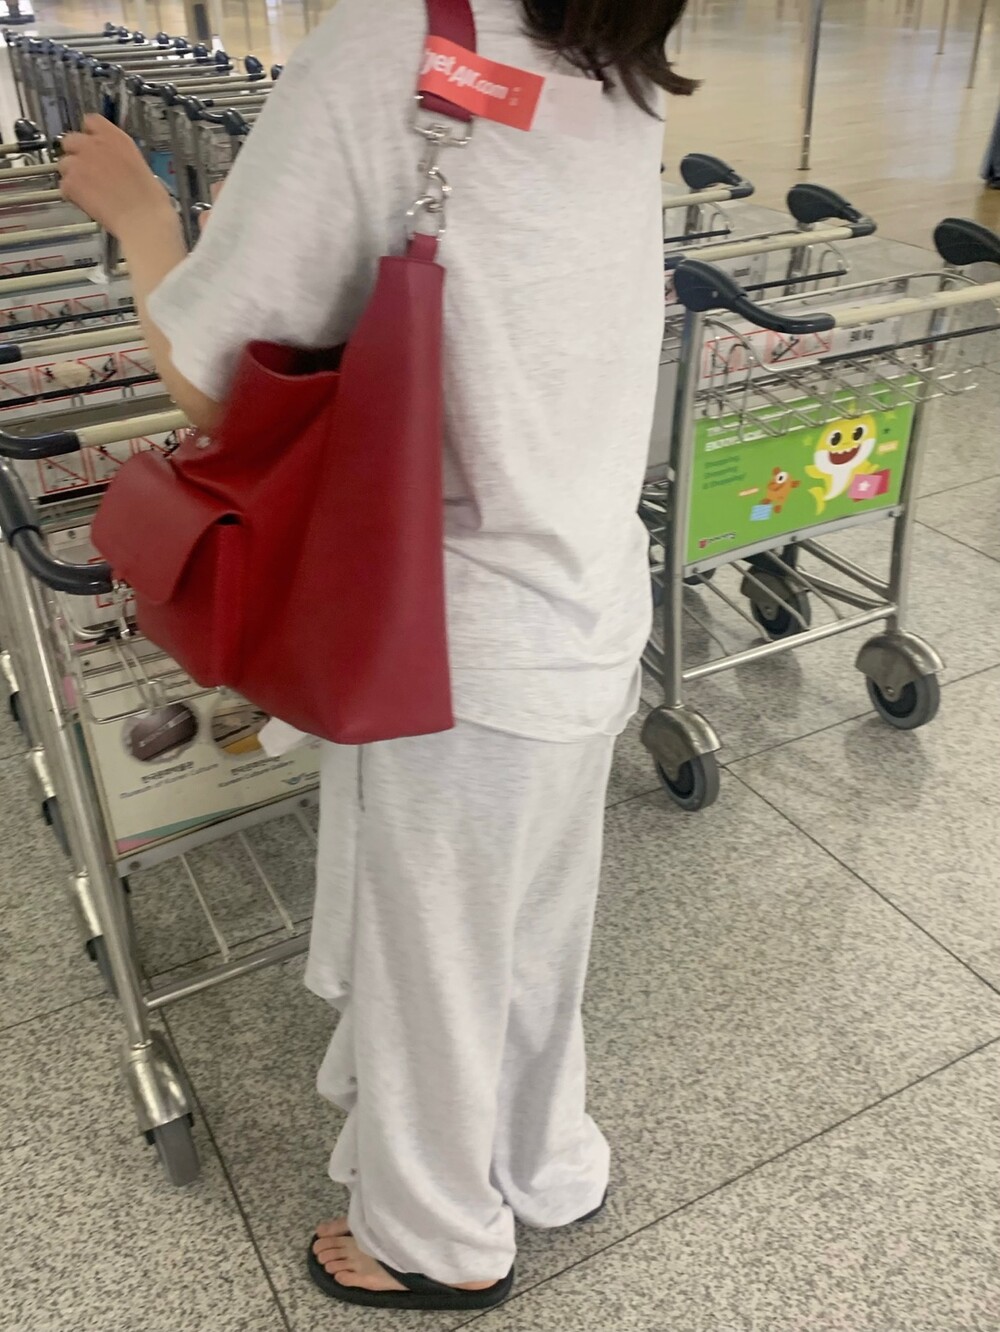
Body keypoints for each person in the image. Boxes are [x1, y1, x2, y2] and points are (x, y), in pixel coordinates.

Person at [58, 0, 693, 1312]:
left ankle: (433, 1239)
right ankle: (547, 1161)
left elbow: (214, 374)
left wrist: (142, 217)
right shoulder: (620, 56)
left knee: (433, 970)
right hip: (581, 589)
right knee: (530, 936)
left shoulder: (396, 42)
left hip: (442, 630)